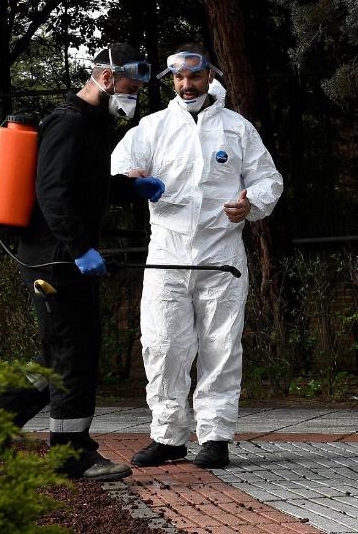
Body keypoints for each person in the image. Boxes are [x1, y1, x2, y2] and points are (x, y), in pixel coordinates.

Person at [0, 43, 165, 481]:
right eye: (131, 85)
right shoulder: (69, 124)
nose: (135, 94)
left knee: (59, 352)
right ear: (107, 78)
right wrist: (78, 249)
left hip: (59, 259)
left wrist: (131, 189)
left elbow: (84, 185)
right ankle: (73, 456)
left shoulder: (91, 124)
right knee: (74, 354)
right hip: (55, 262)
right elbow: (52, 193)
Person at [110, 44, 283, 470]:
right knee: (164, 346)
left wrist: (251, 204)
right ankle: (167, 436)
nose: (187, 85)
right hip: (167, 253)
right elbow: (120, 164)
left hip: (220, 254)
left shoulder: (236, 129)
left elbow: (268, 180)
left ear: (210, 77)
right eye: (179, 78)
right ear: (172, 81)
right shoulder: (152, 127)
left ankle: (215, 436)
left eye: (195, 77)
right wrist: (132, 179)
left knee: (220, 347)